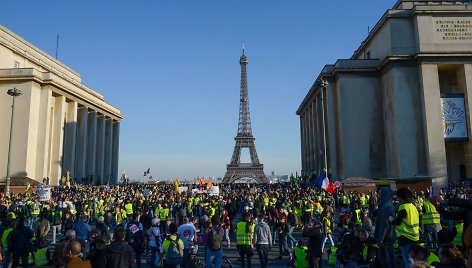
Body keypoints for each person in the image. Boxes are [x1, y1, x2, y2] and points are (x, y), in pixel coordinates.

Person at [394, 187, 420, 268]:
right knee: (415, 260)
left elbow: (397, 222)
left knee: (408, 260)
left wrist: (391, 219)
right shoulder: (413, 206)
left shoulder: (403, 207)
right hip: (415, 236)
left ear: (400, 197)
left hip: (405, 237)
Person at [374, 187, 396, 268]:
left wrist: (381, 238)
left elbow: (385, 225)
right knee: (390, 257)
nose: (379, 195)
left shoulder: (385, 208)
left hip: (386, 237)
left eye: (381, 194)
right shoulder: (390, 206)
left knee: (385, 258)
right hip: (390, 235)